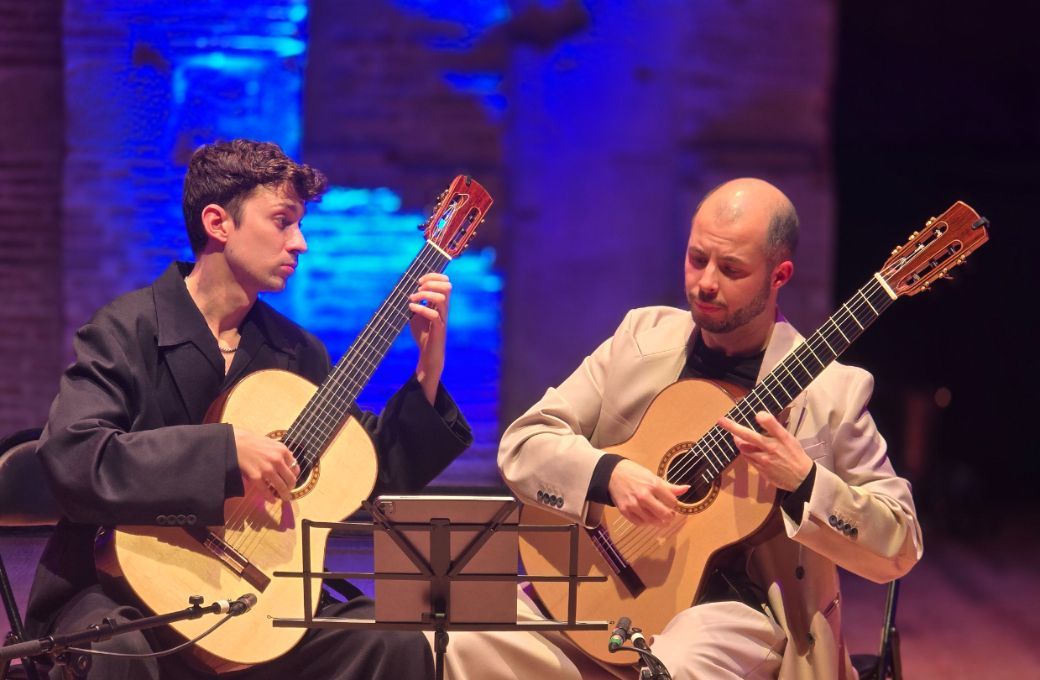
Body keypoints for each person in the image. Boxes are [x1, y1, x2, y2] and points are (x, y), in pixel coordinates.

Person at [439, 178, 922, 679]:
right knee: (459, 638)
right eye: (696, 259)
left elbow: (900, 545)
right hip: (604, 583)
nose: (705, 282)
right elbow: (524, 444)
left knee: (668, 669)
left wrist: (804, 480)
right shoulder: (640, 338)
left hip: (735, 614)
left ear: (779, 275)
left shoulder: (833, 394)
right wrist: (611, 473)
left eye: (731, 269)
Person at [24, 139, 473, 679]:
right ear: (218, 223)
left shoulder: (296, 351)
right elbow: (74, 456)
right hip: (125, 589)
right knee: (119, 655)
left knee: (393, 644)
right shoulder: (128, 328)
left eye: (299, 224)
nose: (300, 243)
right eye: (283, 221)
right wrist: (223, 453)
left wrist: (428, 370)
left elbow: (364, 468)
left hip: (256, 593)